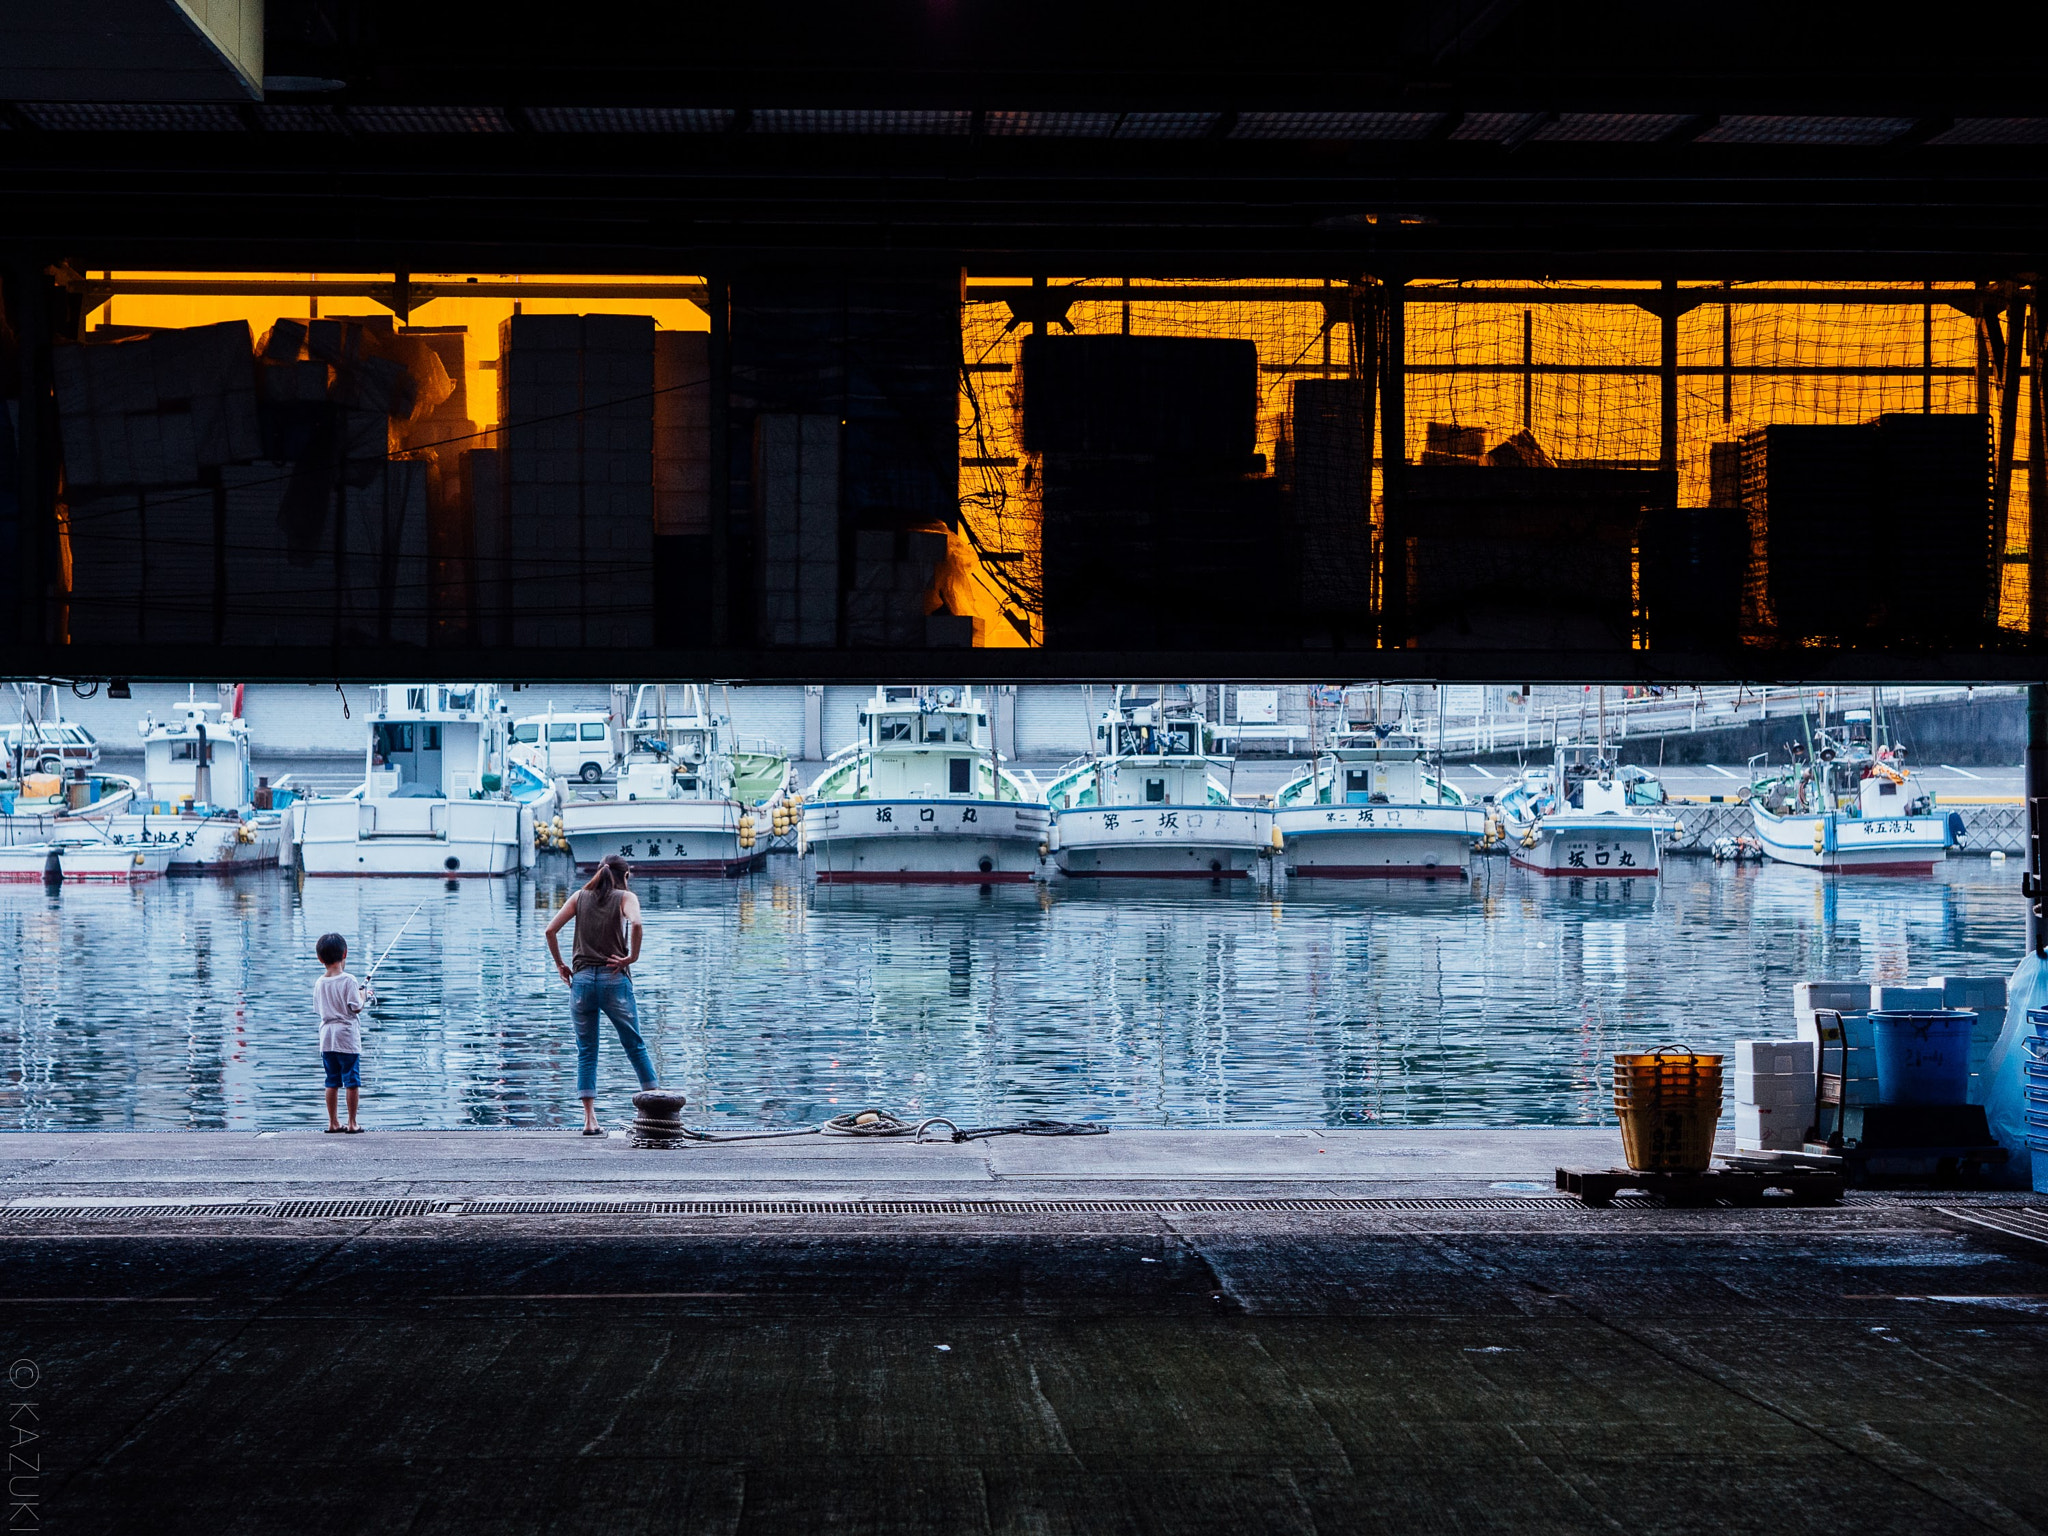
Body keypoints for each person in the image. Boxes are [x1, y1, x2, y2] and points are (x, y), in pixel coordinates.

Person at [544, 854, 658, 1136]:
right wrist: (631, 957)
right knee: (634, 1045)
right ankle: (657, 1112)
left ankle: (589, 1121)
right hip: (613, 979)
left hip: (581, 981)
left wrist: (561, 965)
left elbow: (550, 930)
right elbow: (638, 924)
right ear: (626, 875)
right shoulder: (625, 897)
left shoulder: (579, 896)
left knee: (587, 1051)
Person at [314, 932, 371, 1134]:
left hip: (327, 1038)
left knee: (332, 1081)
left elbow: (319, 1009)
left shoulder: (319, 982)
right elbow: (356, 1007)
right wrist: (363, 995)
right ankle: (352, 1122)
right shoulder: (349, 980)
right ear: (345, 953)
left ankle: (332, 1122)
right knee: (351, 1081)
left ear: (320, 959)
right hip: (347, 1037)